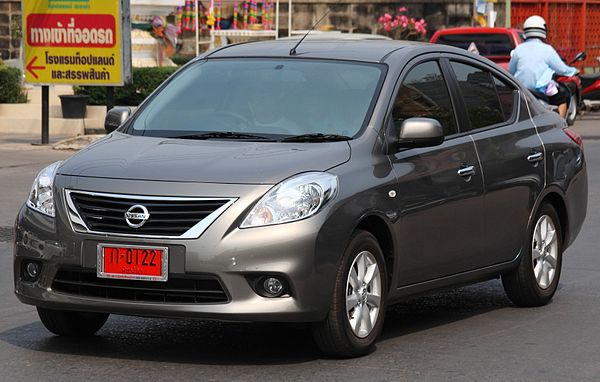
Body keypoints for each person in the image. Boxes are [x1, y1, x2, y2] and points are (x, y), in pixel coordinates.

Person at [508, 15, 578, 118]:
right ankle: (560, 125)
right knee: (562, 99)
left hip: (521, 90)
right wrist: (573, 71)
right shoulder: (547, 49)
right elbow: (561, 69)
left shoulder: (519, 49)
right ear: (543, 30)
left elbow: (511, 70)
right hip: (540, 91)